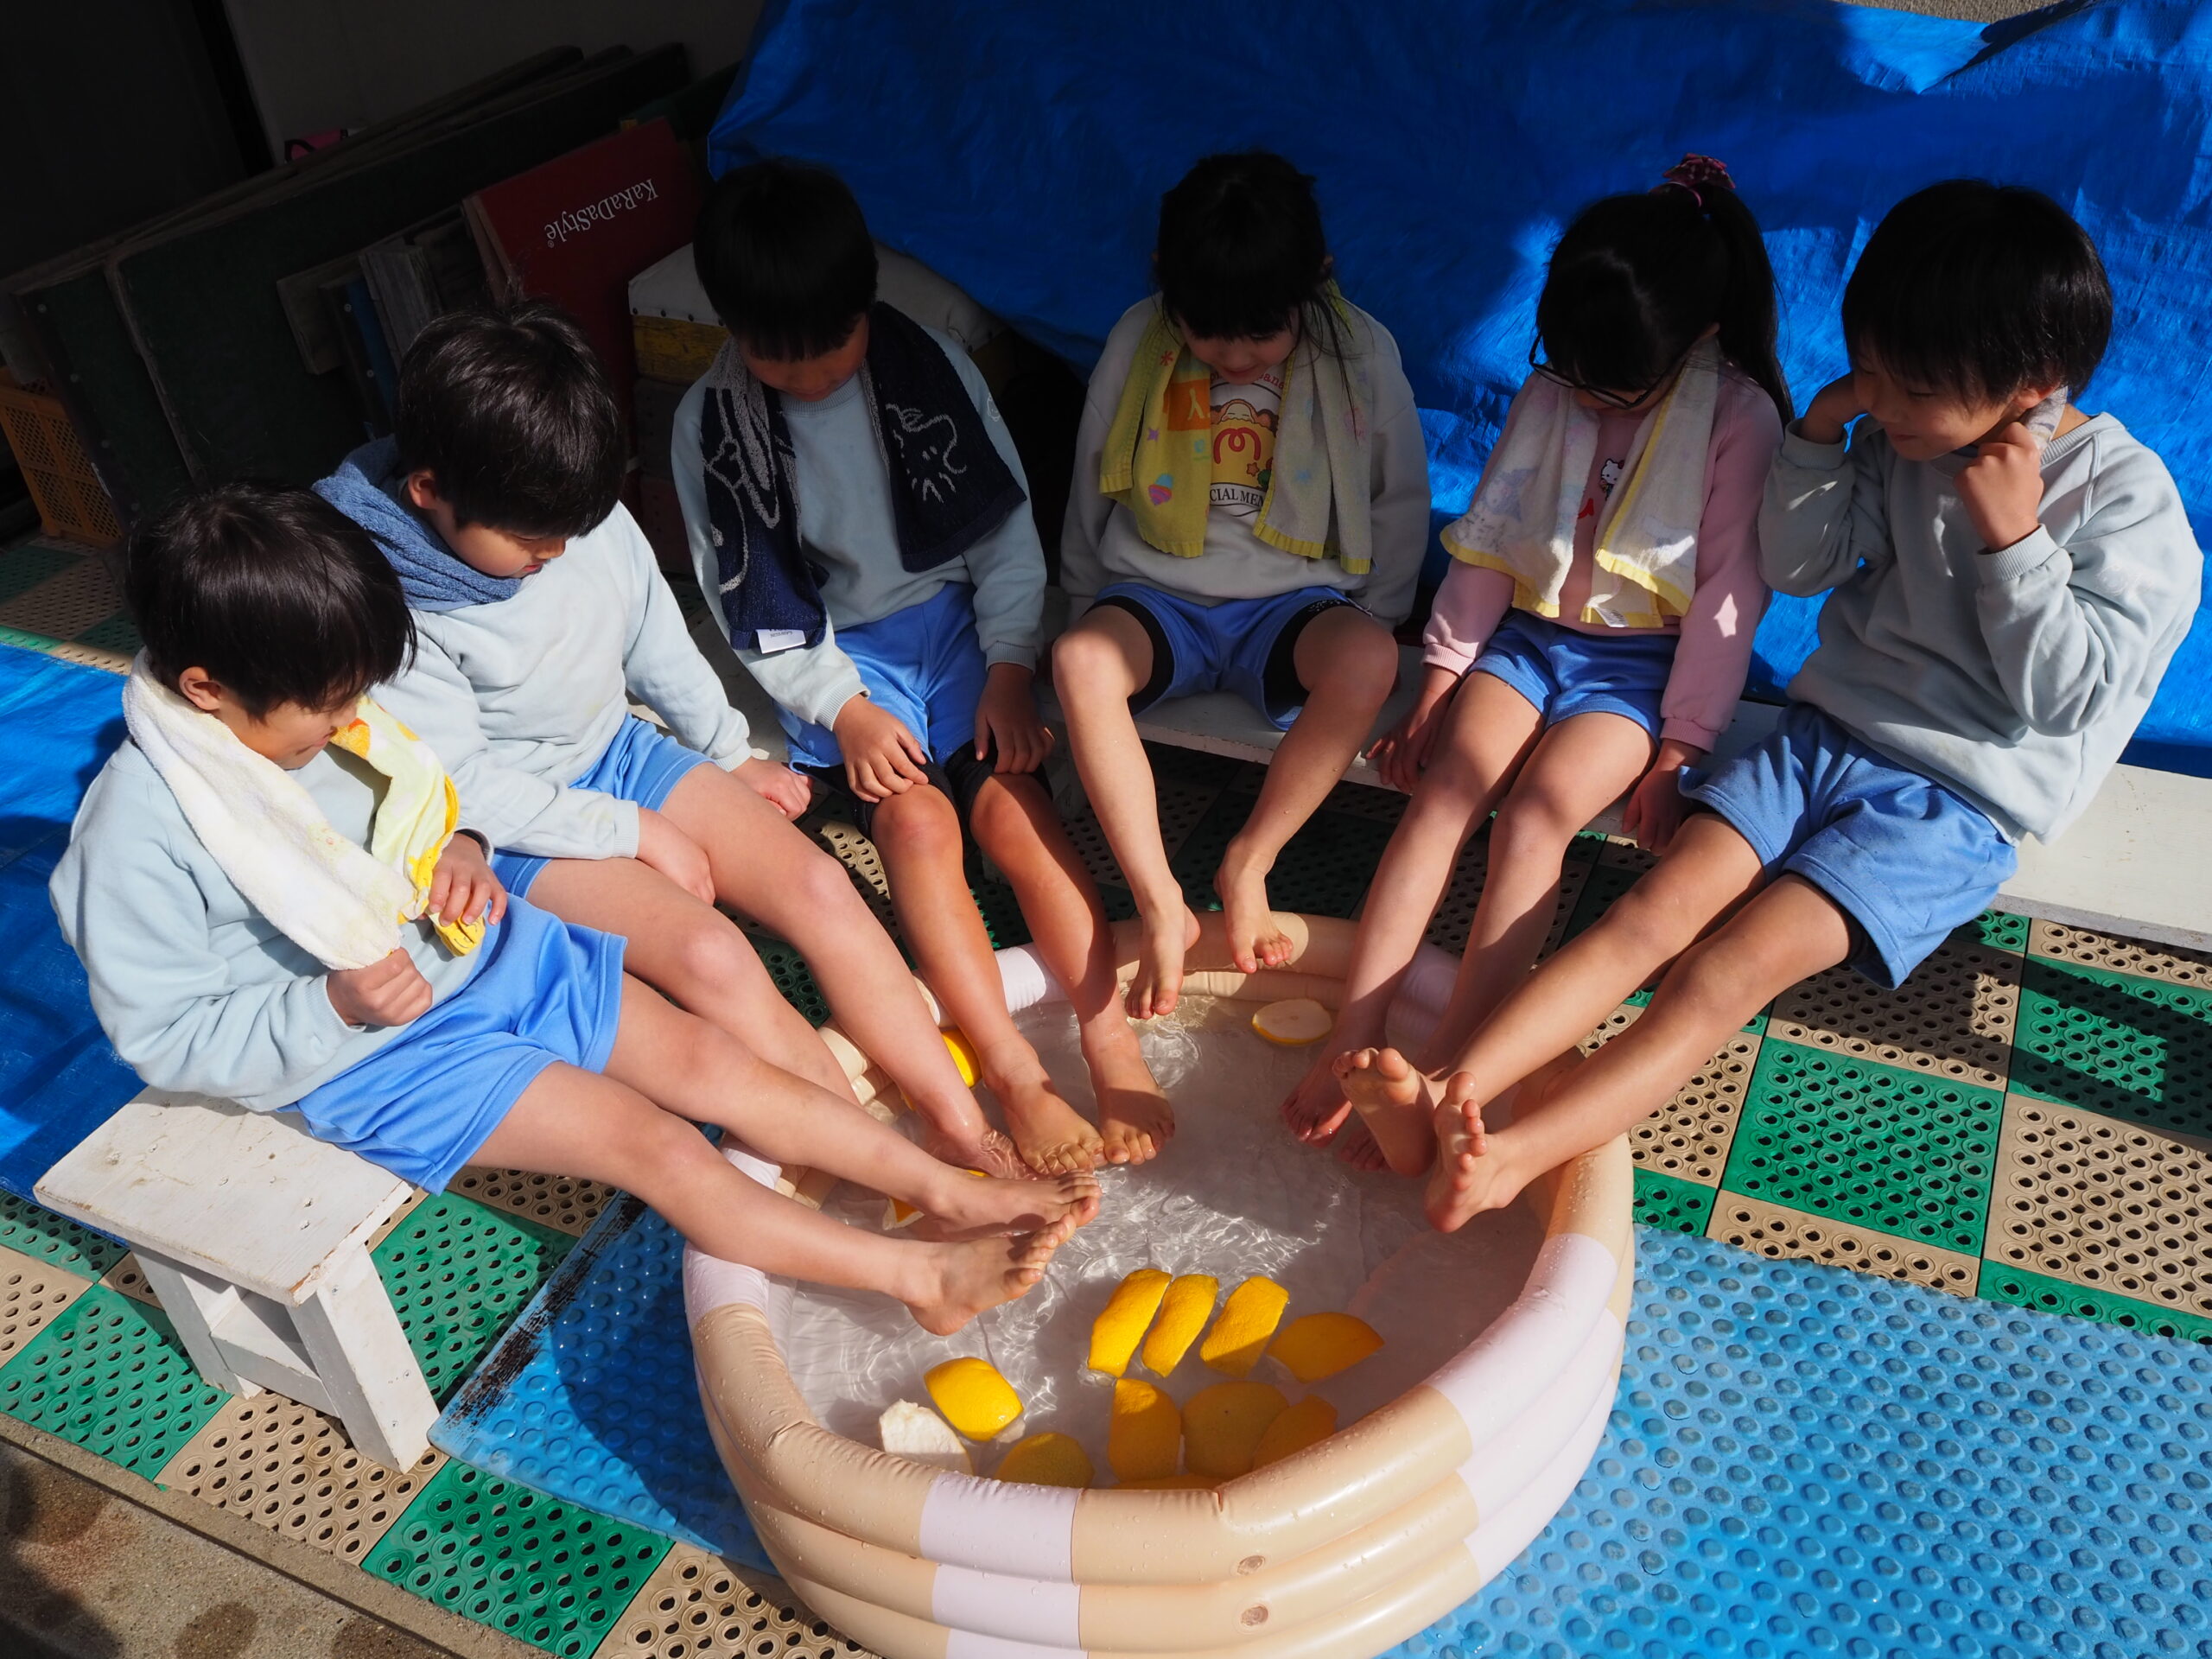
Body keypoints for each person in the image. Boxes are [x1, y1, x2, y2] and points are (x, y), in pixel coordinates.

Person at [1330, 180, 2202, 1230]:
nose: (1871, 394)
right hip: (1818, 741)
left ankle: (1512, 1155)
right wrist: (1818, 444)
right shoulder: (1894, 438)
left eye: (1900, 380)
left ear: (2035, 383)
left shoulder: (2128, 503)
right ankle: (1448, 1090)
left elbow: (2066, 701)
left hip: (1952, 804)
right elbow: (1798, 565)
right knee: (1645, 914)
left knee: (1722, 975)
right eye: (1864, 362)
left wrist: (2013, 542)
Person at [51, 487, 1096, 1332]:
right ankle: (921, 1282)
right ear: (203, 688)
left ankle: (949, 1190)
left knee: (714, 1066)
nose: (347, 724)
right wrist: (331, 1006)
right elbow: (163, 1034)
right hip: (377, 1054)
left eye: (354, 698)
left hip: (487, 948)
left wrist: (459, 848)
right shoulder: (136, 834)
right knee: (658, 1145)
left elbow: (429, 799)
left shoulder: (333, 717)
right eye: (322, 710)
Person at [316, 302, 1026, 1179]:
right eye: (532, 540)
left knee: (816, 882)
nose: (558, 553)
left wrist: (724, 751)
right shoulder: (386, 611)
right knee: (710, 953)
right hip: (504, 828)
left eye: (575, 529)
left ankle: (958, 1123)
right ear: (427, 491)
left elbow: (656, 636)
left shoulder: (567, 510)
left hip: (619, 750)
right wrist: (637, 834)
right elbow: (459, 786)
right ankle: (882, 1165)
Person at [1283, 156, 1786, 1165]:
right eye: (1576, 375)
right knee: (1439, 793)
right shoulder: (1555, 386)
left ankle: (1452, 1067)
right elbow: (1490, 541)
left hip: (1639, 672)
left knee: (1538, 820)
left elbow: (1728, 597)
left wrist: (1681, 747)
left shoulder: (1740, 417)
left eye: (1622, 388)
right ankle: (1355, 1035)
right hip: (1529, 641)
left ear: (1700, 333)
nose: (1593, 399)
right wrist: (1440, 679)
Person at [671, 161, 1171, 1172]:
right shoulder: (709, 427)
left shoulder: (928, 363)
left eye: (834, 348)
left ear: (868, 301)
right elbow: (751, 611)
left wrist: (1008, 665)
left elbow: (1001, 536)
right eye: (779, 359)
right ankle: (1012, 1075)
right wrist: (844, 713)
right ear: (730, 327)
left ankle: (1107, 1035)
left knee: (1013, 810)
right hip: (839, 665)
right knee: (914, 821)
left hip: (961, 636)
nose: (812, 377)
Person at [1053, 150, 1431, 1017]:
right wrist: (1081, 601)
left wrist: (1375, 616)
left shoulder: (1360, 349)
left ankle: (1248, 858)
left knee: (1368, 660)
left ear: (1315, 283)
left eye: (1259, 335)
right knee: (1080, 662)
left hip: (1294, 607)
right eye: (1207, 332)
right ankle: (1157, 902)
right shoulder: (1135, 340)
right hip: (1158, 597)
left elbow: (1400, 492)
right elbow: (1090, 477)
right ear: (1165, 292)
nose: (1232, 356)